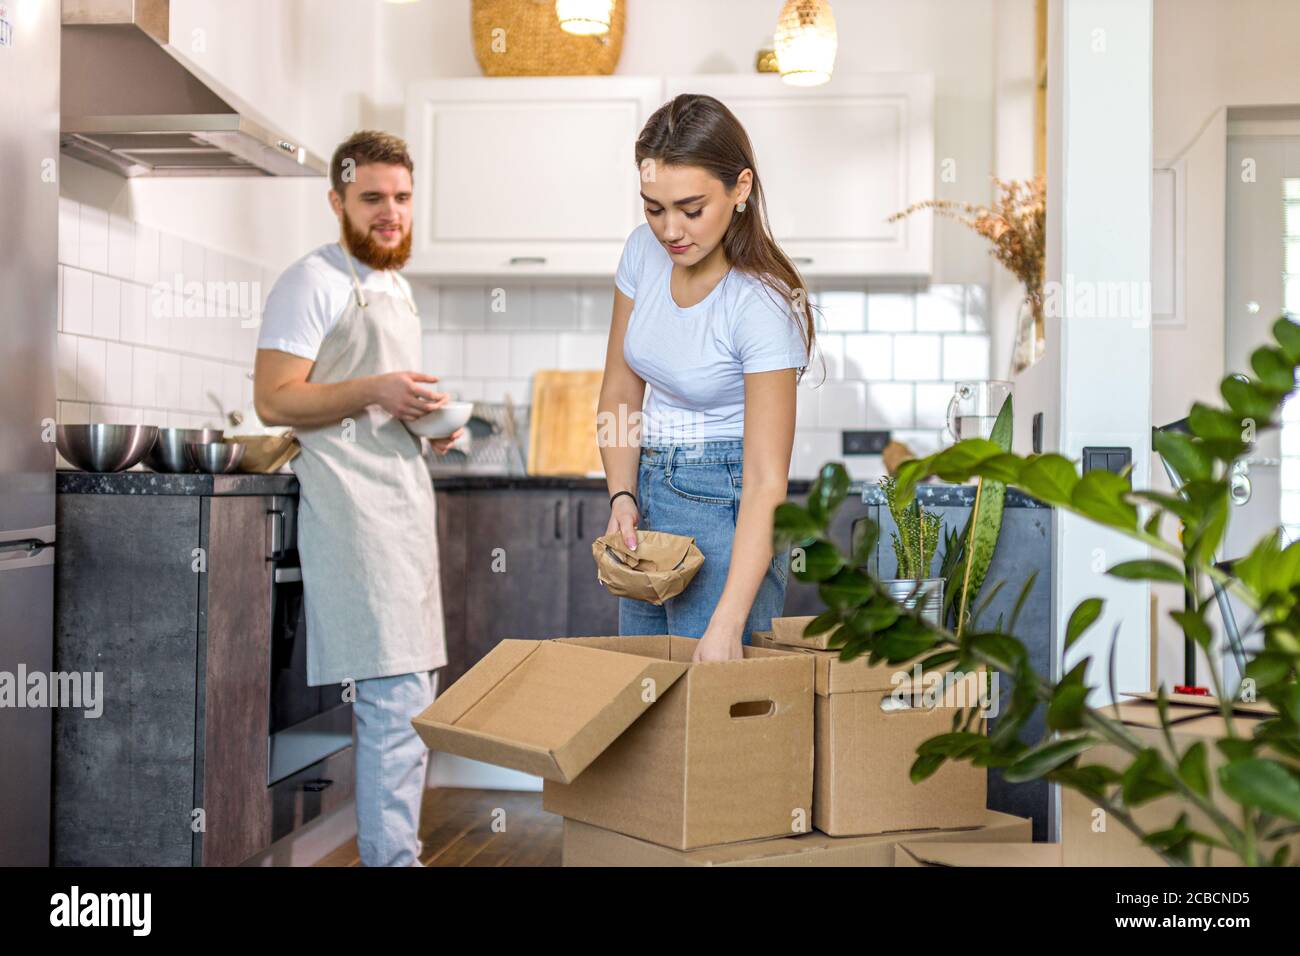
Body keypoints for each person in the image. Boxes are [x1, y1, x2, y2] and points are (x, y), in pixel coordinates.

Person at [253, 130, 463, 866]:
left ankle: (392, 855)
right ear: (337, 199)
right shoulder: (312, 281)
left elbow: (372, 402)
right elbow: (275, 399)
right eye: (372, 197)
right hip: (354, 509)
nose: (391, 212)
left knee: (409, 699)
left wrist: (423, 425)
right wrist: (377, 389)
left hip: (401, 503)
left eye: (402, 198)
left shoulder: (394, 287)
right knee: (395, 702)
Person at [597, 94, 816, 660]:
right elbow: (621, 390)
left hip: (728, 504)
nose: (670, 230)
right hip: (649, 495)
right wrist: (623, 492)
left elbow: (768, 480)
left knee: (713, 719)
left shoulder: (760, 304)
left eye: (691, 209)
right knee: (643, 705)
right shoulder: (642, 254)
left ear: (740, 187)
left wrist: (728, 622)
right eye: (653, 207)